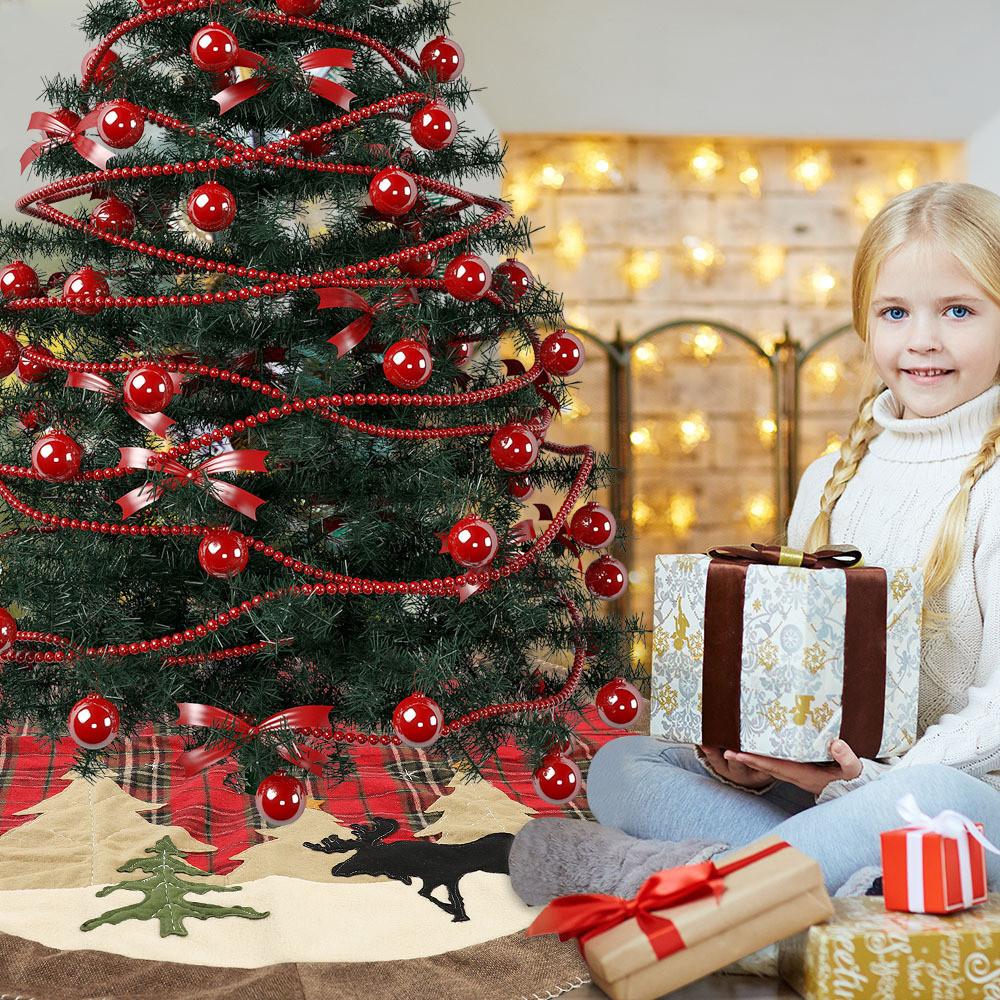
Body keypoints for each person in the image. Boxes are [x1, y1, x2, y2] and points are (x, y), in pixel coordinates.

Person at [585, 181, 1000, 893]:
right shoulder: (832, 475)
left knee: (940, 803)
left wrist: (869, 785)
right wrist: (747, 755)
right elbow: (795, 663)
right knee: (622, 766)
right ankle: (807, 891)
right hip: (828, 786)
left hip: (954, 794)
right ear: (865, 324)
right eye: (895, 311)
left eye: (958, 310)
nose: (922, 339)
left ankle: (728, 896)